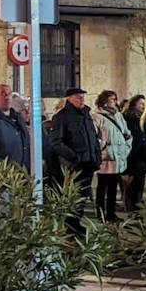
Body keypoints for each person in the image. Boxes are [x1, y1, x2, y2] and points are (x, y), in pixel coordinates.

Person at [49, 87, 102, 223]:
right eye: (78, 97)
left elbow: (93, 138)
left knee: (83, 197)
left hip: (88, 164)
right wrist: (73, 156)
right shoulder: (61, 117)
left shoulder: (86, 115)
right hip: (73, 166)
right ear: (70, 99)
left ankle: (76, 224)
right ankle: (70, 227)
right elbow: (56, 142)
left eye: (82, 96)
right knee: (73, 197)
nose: (82, 99)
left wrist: (96, 156)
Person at [92, 90, 132, 221]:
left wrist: (126, 148)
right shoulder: (96, 117)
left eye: (115, 99)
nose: (115, 101)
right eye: (112, 99)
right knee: (102, 186)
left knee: (113, 187)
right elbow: (94, 137)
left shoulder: (118, 116)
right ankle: (100, 212)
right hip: (106, 158)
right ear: (104, 101)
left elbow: (126, 133)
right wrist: (104, 148)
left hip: (118, 158)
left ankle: (110, 213)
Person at [121, 95, 146, 212]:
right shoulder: (127, 119)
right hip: (131, 158)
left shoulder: (142, 119)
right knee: (131, 189)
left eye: (144, 104)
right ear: (134, 104)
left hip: (140, 159)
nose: (143, 106)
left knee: (138, 187)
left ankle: (137, 209)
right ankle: (131, 211)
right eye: (141, 104)